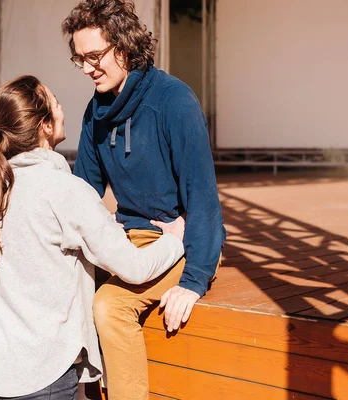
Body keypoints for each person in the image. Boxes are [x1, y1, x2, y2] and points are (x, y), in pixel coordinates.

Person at [0, 75, 185, 400]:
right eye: (57, 104)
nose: (63, 111)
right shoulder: (65, 191)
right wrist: (174, 238)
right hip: (36, 381)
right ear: (46, 126)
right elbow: (134, 267)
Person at [62, 1, 226, 398]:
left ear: (123, 47)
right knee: (63, 293)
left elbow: (203, 197)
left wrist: (194, 280)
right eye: (78, 59)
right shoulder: (95, 112)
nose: (87, 68)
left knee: (109, 308)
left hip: (174, 240)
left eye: (94, 56)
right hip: (123, 241)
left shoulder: (173, 101)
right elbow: (83, 193)